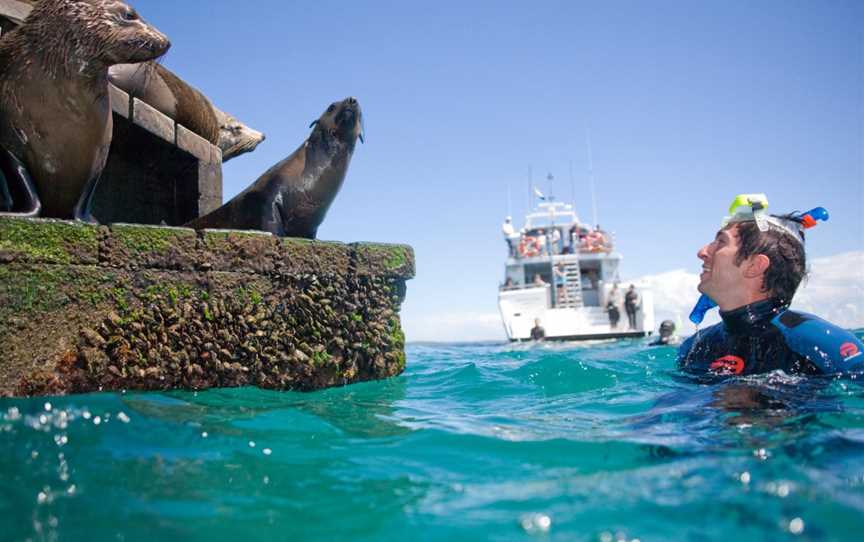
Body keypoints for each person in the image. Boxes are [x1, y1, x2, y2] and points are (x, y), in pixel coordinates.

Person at [678, 194, 864, 378]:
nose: (702, 252)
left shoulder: (818, 341)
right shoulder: (696, 348)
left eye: (721, 242)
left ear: (755, 266)